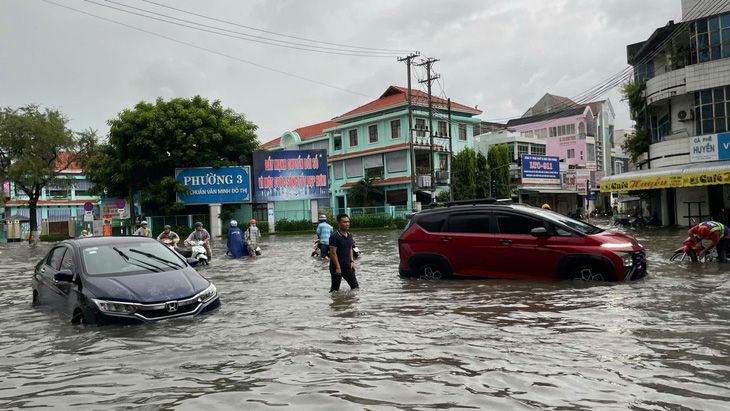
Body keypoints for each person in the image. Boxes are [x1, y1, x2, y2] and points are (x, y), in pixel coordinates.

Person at [328, 214, 359, 293]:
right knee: (335, 289)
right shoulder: (334, 237)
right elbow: (333, 253)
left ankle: (350, 302)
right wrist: (338, 267)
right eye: (344, 222)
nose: (347, 224)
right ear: (339, 223)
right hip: (336, 266)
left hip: (347, 265)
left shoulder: (349, 235)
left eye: (348, 222)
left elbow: (350, 249)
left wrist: (352, 262)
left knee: (355, 286)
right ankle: (335, 303)